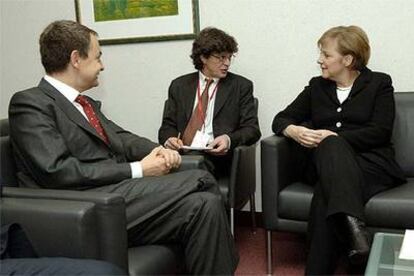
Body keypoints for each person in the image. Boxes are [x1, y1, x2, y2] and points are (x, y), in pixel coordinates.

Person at [8, 20, 238, 275]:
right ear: (76, 59)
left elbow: (122, 138)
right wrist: (139, 169)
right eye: (98, 57)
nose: (102, 66)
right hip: (83, 205)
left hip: (115, 195)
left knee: (204, 205)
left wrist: (159, 151)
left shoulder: (85, 104)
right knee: (202, 178)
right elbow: (59, 171)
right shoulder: (30, 103)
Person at [272, 25, 406, 275]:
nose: (319, 60)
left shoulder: (379, 83)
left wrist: (335, 136)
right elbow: (281, 119)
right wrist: (294, 131)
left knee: (326, 190)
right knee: (330, 148)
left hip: (370, 164)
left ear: (348, 59)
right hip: (325, 162)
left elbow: (380, 131)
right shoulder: (316, 87)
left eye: (326, 55)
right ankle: (354, 231)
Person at [158, 27, 261, 178]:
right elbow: (167, 126)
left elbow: (252, 130)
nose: (227, 63)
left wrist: (228, 139)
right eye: (221, 57)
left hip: (216, 158)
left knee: (193, 164)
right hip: (181, 154)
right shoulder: (179, 85)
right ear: (203, 58)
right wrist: (170, 139)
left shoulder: (241, 86)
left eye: (229, 57)